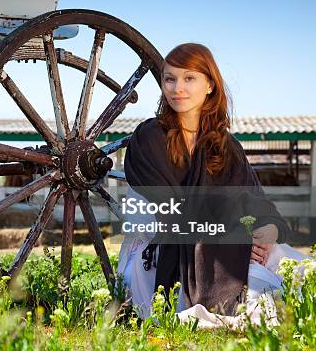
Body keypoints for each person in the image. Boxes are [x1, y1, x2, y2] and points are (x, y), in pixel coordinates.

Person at [117, 43, 301, 320]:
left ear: (210, 85)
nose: (177, 87)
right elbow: (172, 212)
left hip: (224, 244)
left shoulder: (226, 146)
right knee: (259, 295)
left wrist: (270, 230)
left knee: (298, 272)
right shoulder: (150, 137)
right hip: (166, 253)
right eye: (170, 78)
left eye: (189, 78)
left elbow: (254, 202)